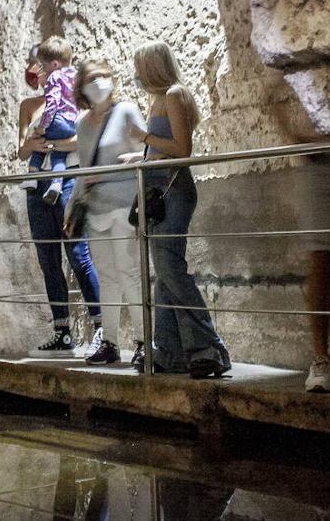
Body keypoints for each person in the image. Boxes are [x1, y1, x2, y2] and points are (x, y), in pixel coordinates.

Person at [127, 41, 230, 378]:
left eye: (141, 69)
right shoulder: (159, 98)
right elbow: (163, 147)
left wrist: (144, 138)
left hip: (174, 189)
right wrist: (140, 155)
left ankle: (209, 347)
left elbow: (182, 149)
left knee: (171, 269)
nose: (137, 76)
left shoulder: (174, 94)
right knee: (164, 272)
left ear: (153, 68)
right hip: (157, 189)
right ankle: (170, 351)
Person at [269, 69, 330, 393]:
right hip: (320, 166)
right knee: (321, 259)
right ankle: (320, 358)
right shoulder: (302, 72)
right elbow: (277, 102)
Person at [19, 47, 102, 357]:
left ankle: (101, 330)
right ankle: (62, 331)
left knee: (78, 253)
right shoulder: (29, 106)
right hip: (36, 185)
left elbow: (79, 140)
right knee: (47, 258)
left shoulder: (72, 99)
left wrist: (49, 144)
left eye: (35, 64)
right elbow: (22, 151)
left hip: (67, 180)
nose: (32, 69)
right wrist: (31, 143)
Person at [64, 60, 148, 366]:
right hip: (96, 209)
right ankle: (110, 342)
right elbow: (83, 169)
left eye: (104, 76)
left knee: (129, 275)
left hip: (124, 203)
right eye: (92, 78)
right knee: (108, 277)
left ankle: (144, 342)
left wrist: (110, 172)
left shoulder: (125, 111)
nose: (99, 82)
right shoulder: (82, 124)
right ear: (82, 86)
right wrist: (72, 205)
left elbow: (148, 152)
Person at [27, 37, 79, 205]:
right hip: (73, 124)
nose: (40, 71)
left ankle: (32, 175)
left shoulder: (55, 76)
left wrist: (42, 126)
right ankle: (56, 183)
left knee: (40, 141)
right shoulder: (76, 76)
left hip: (59, 120)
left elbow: (53, 103)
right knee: (58, 155)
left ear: (55, 64)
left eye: (42, 66)